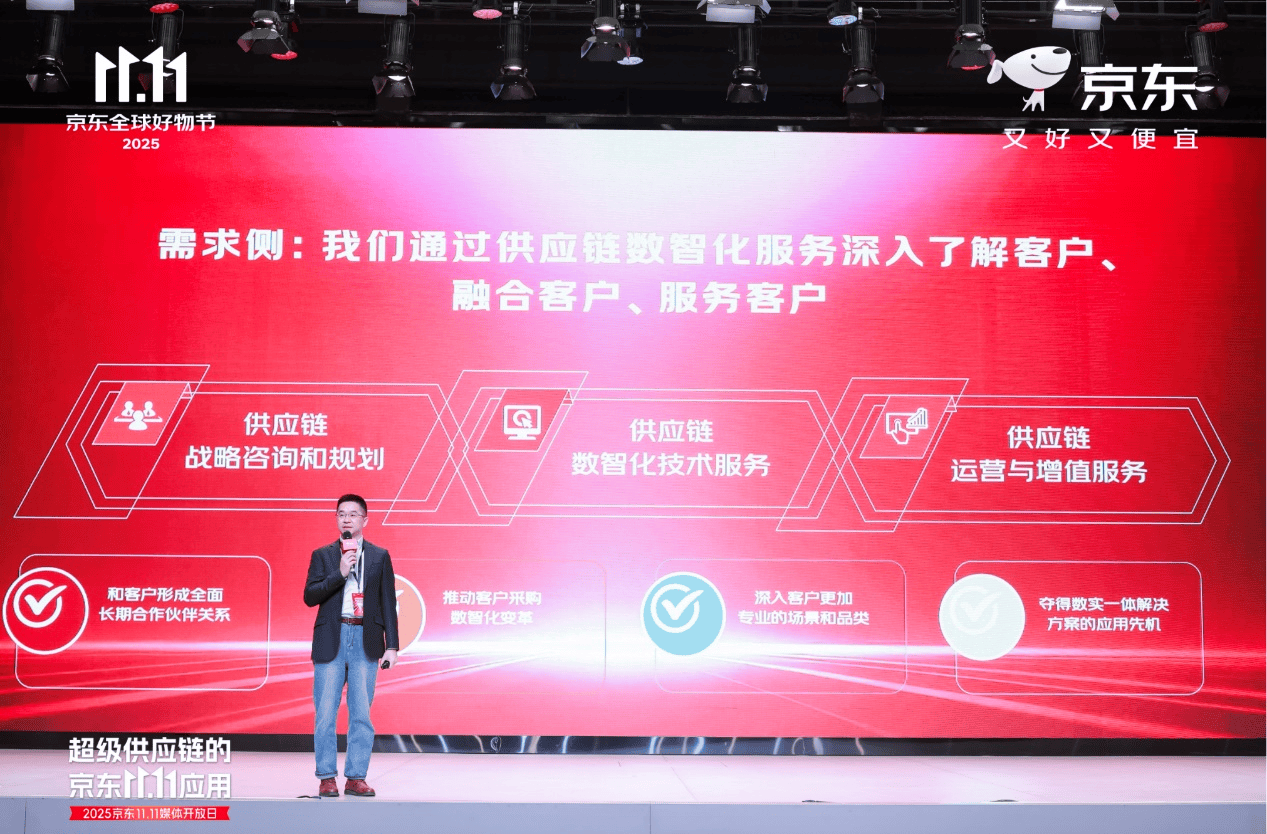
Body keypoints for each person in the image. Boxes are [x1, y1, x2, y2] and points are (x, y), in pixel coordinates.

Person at [304, 493, 399, 798]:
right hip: (331, 637)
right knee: (325, 714)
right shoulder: (323, 555)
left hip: (365, 639)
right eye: (341, 514)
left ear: (364, 520)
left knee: (361, 714)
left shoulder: (380, 556)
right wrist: (341, 573)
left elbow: (388, 602)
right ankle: (326, 777)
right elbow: (310, 596)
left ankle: (356, 777)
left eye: (353, 514)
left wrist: (392, 645)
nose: (346, 519)